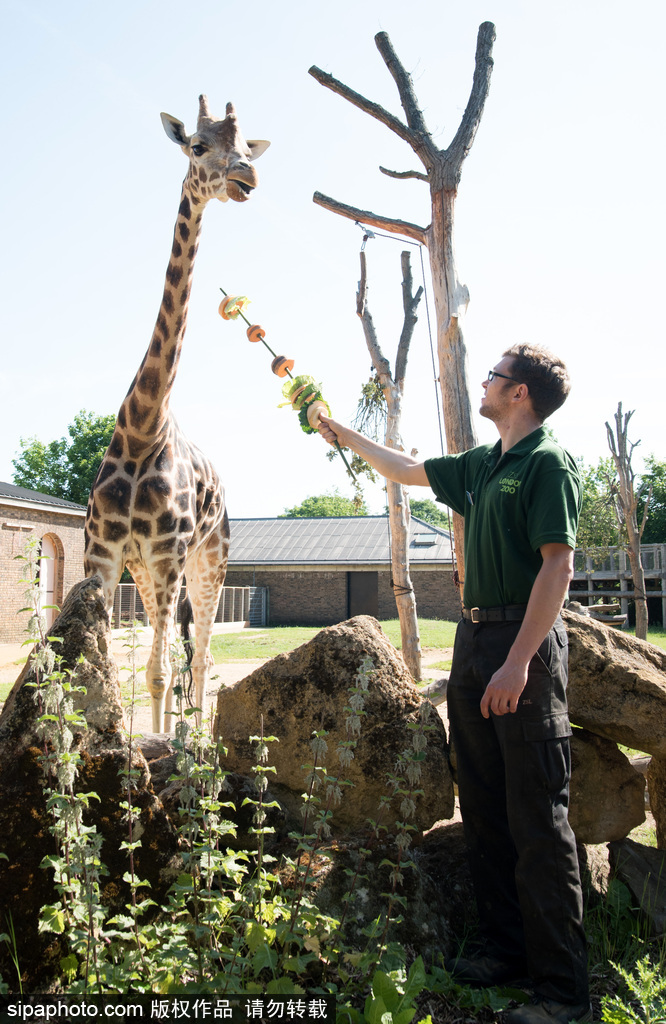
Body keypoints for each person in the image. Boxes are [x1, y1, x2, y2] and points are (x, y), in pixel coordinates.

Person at [317, 344, 591, 1024]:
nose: (487, 382)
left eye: (496, 374)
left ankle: (562, 995)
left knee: (538, 820)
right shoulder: (484, 463)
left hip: (520, 646)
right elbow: (409, 470)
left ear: (520, 392)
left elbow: (556, 566)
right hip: (473, 641)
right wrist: (340, 432)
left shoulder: (547, 462)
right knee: (487, 811)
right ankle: (506, 953)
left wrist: (520, 661)